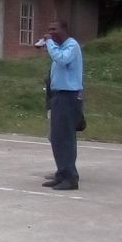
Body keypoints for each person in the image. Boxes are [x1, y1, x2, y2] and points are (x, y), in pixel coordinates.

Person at [41, 20, 84, 190]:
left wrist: (49, 43)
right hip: (59, 96)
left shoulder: (71, 46)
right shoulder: (59, 48)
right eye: (49, 29)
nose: (50, 32)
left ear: (64, 30)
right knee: (57, 138)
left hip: (69, 96)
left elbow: (62, 60)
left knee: (65, 138)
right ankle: (61, 173)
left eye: (54, 29)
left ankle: (71, 178)